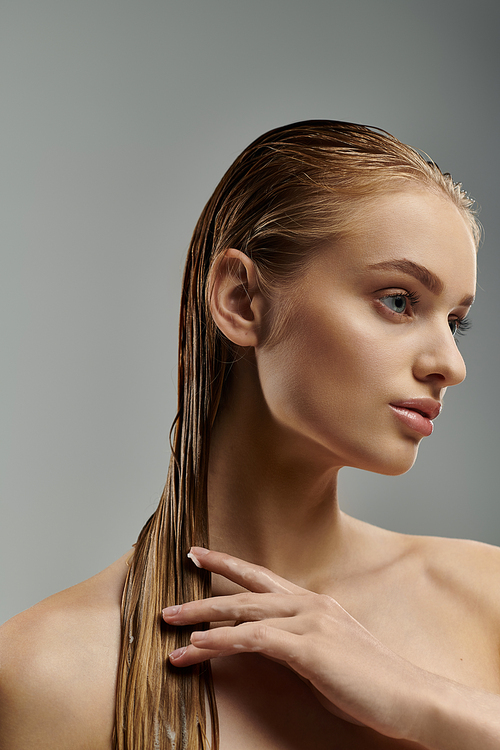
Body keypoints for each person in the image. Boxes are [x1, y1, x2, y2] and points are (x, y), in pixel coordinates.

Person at [1, 120, 499, 750]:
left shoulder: (486, 598)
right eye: (399, 301)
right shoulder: (49, 671)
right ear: (240, 300)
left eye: (456, 322)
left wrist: (420, 699)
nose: (450, 364)